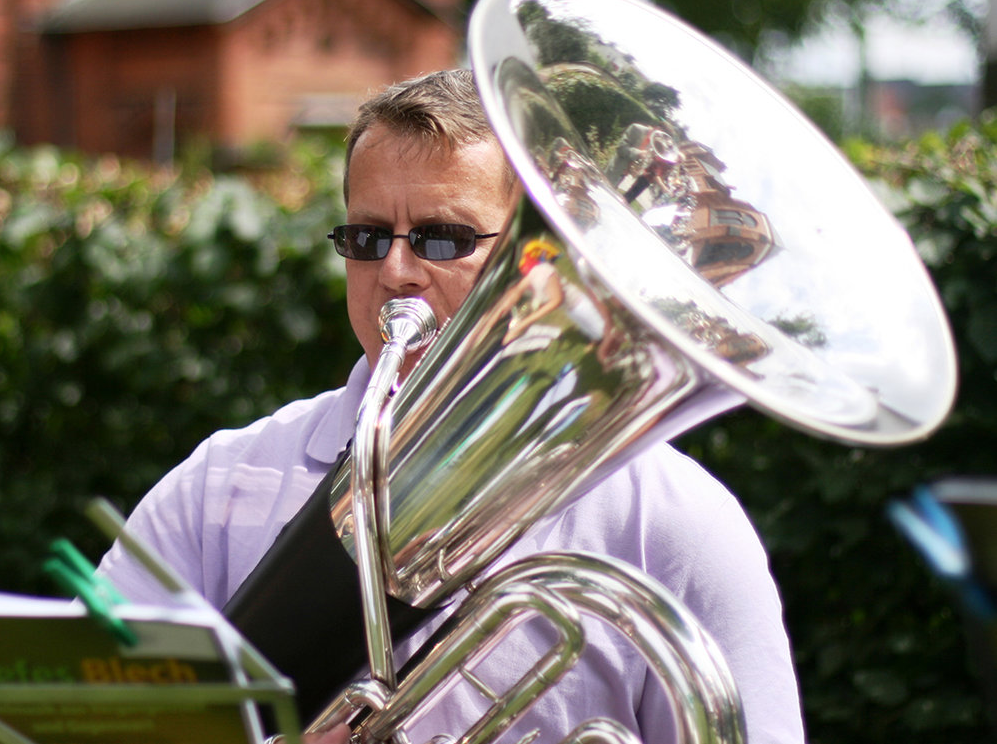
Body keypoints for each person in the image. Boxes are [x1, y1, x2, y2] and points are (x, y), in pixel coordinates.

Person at [97, 69, 805, 744]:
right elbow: (80, 719)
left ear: (537, 255)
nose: (396, 271)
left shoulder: (671, 518)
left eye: (444, 237)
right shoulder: (220, 486)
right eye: (367, 238)